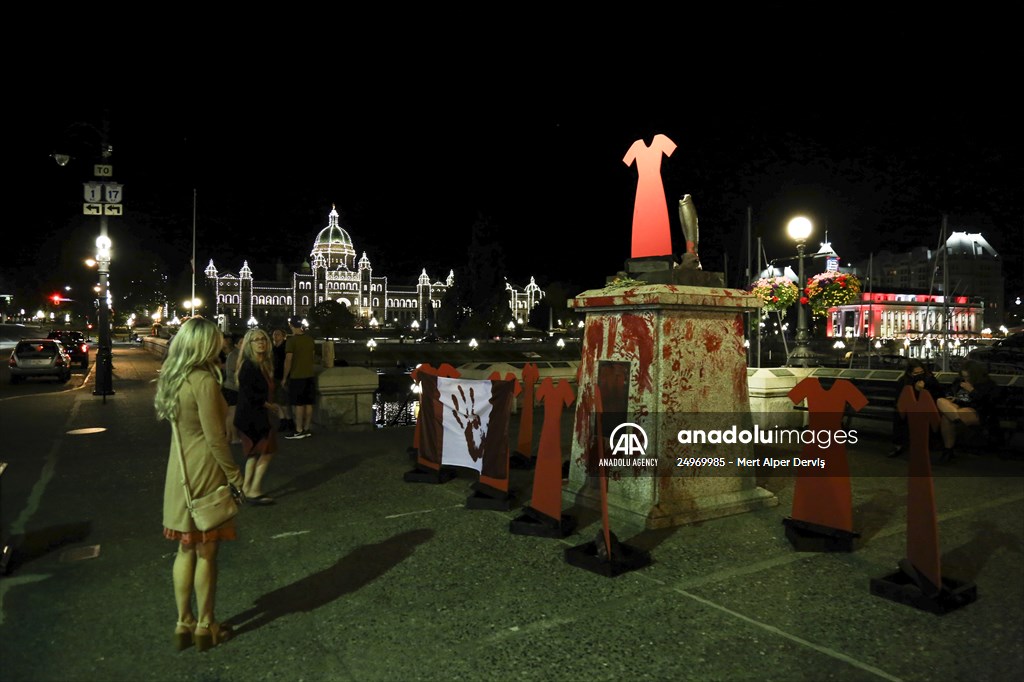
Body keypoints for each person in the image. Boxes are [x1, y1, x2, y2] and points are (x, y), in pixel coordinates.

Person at [155, 316, 243, 652]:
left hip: (179, 469)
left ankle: (183, 622)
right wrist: (235, 475)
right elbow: (216, 438)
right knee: (207, 552)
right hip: (205, 469)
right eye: (218, 338)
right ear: (205, 343)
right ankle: (207, 625)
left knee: (184, 548)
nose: (223, 342)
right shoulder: (204, 381)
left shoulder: (173, 378)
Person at [234, 328, 280, 504]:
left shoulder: (264, 364)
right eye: (256, 340)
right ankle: (254, 489)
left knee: (254, 454)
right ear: (249, 345)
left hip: (256, 415)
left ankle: (246, 489)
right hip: (253, 417)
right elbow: (248, 394)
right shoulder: (249, 365)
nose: (261, 342)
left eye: (263, 339)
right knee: (267, 452)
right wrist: (270, 405)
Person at [935, 359, 1000, 462]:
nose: (965, 379)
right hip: (956, 408)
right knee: (940, 401)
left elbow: (987, 402)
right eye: (963, 376)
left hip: (976, 411)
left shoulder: (986, 384)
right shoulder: (958, 381)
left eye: (968, 377)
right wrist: (953, 398)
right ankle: (958, 422)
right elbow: (950, 393)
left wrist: (971, 390)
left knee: (946, 418)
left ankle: (948, 450)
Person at [888, 359, 943, 458]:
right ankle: (898, 445)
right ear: (910, 373)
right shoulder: (904, 381)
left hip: (927, 407)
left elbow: (937, 394)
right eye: (916, 373)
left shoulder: (929, 379)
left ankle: (929, 444)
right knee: (899, 415)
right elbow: (901, 398)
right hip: (910, 408)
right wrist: (915, 390)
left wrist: (924, 390)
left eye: (921, 372)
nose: (919, 375)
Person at [283, 316, 316, 439]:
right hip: (310, 375)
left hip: (297, 376)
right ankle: (307, 428)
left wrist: (284, 377)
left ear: (291, 325)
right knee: (308, 403)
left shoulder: (291, 341)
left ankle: (298, 430)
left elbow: (288, 360)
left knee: (298, 404)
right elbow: (312, 357)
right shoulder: (310, 339)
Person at [271, 328, 293, 433]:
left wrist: (285, 377)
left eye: (278, 334)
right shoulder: (272, 348)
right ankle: (283, 419)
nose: (275, 336)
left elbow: (287, 362)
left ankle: (287, 421)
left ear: (283, 336)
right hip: (274, 376)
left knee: (283, 400)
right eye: (274, 334)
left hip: (283, 377)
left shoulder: (285, 347)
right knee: (275, 400)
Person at [221, 333, 242, 445]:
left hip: (229, 387)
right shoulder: (235, 355)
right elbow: (232, 373)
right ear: (236, 344)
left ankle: (229, 436)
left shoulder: (233, 354)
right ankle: (234, 437)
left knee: (229, 414)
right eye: (241, 343)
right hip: (233, 388)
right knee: (232, 414)